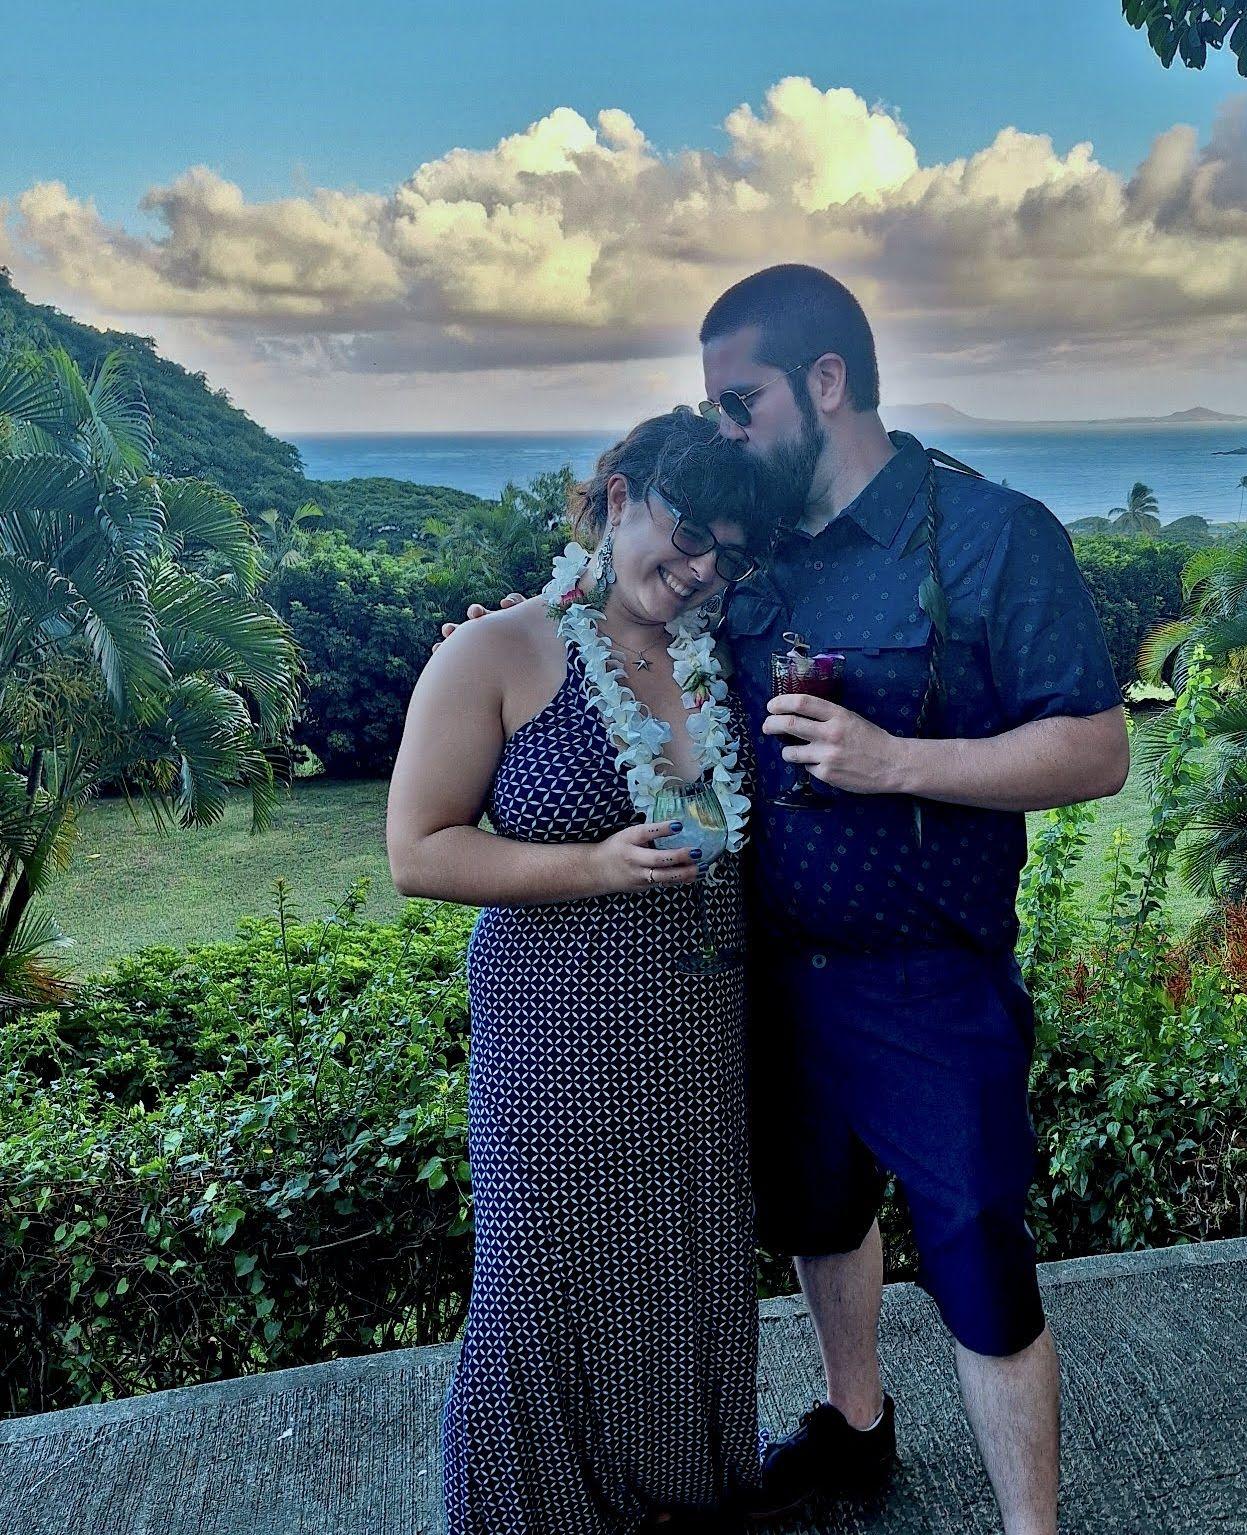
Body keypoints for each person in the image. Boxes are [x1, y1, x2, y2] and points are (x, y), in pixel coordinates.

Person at [442, 266, 1130, 1535]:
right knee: (817, 1214)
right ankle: (855, 1427)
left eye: (738, 399)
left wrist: (898, 761)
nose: (722, 425)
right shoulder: (748, 564)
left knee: (981, 1260)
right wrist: (512, 636)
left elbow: (1096, 749)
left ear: (826, 381)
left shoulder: (991, 535)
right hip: (762, 970)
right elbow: (631, 639)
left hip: (927, 976)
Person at [390, 407, 778, 1534]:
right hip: (557, 1044)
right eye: (689, 534)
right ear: (618, 498)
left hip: (701, 1033)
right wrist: (594, 867)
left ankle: (681, 1493)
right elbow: (418, 850)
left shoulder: (721, 649)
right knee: (545, 1289)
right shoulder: (496, 651)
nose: (701, 570)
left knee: (683, 1272)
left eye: (727, 555)